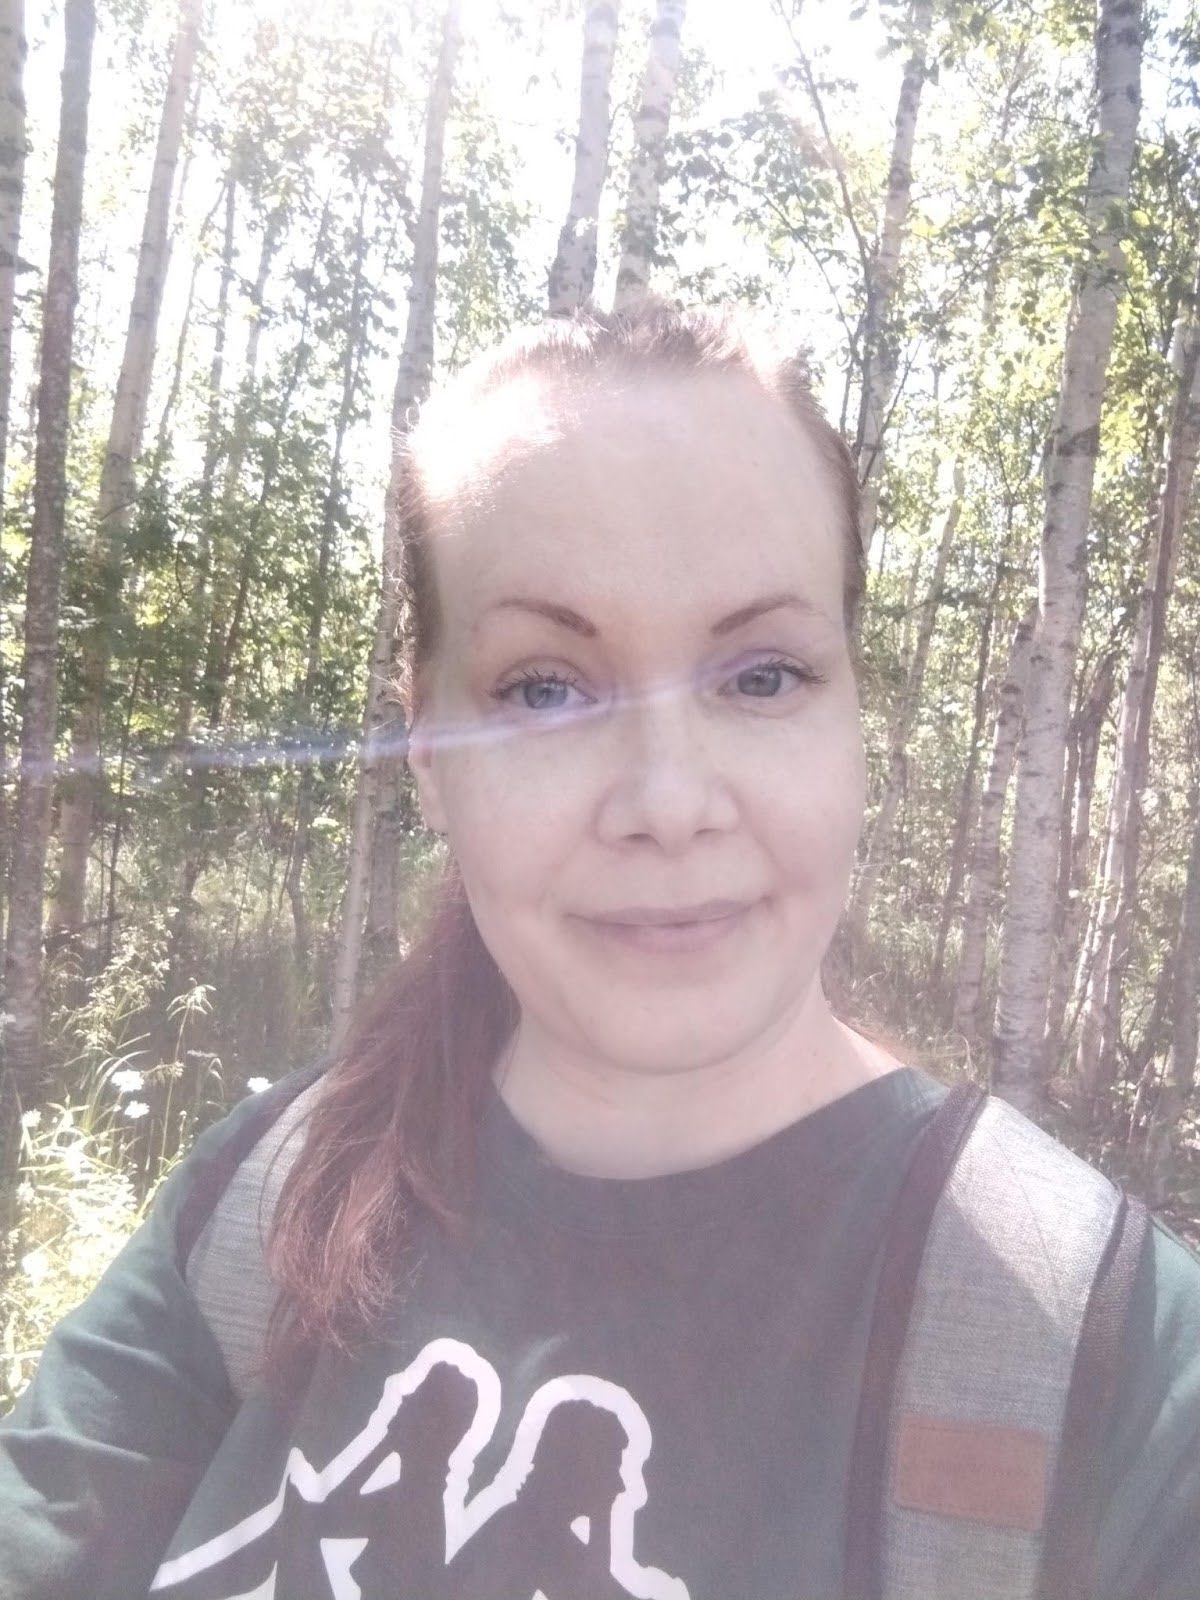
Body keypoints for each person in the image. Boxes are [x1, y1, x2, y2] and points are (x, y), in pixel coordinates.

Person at [2, 303, 1200, 1600]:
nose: (669, 803)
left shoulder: (1112, 1368)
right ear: (428, 751)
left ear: (855, 718)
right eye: (545, 688)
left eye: (761, 676)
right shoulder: (258, 1211)